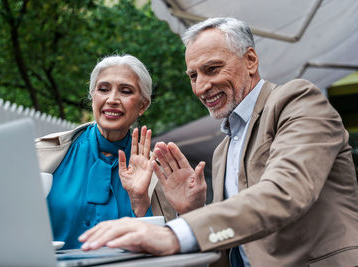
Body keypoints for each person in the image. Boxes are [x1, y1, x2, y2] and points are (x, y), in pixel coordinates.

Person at [78, 17, 358, 266]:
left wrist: (177, 232)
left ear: (250, 60)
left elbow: (284, 192)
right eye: (193, 76)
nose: (201, 86)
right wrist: (191, 210)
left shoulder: (297, 100)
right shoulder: (223, 149)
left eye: (212, 69)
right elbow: (234, 239)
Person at [35, 54, 175, 249]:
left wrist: (140, 201)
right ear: (93, 96)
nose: (112, 99)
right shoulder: (44, 156)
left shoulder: (158, 173)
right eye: (103, 89)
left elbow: (167, 244)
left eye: (125, 91)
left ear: (142, 105)